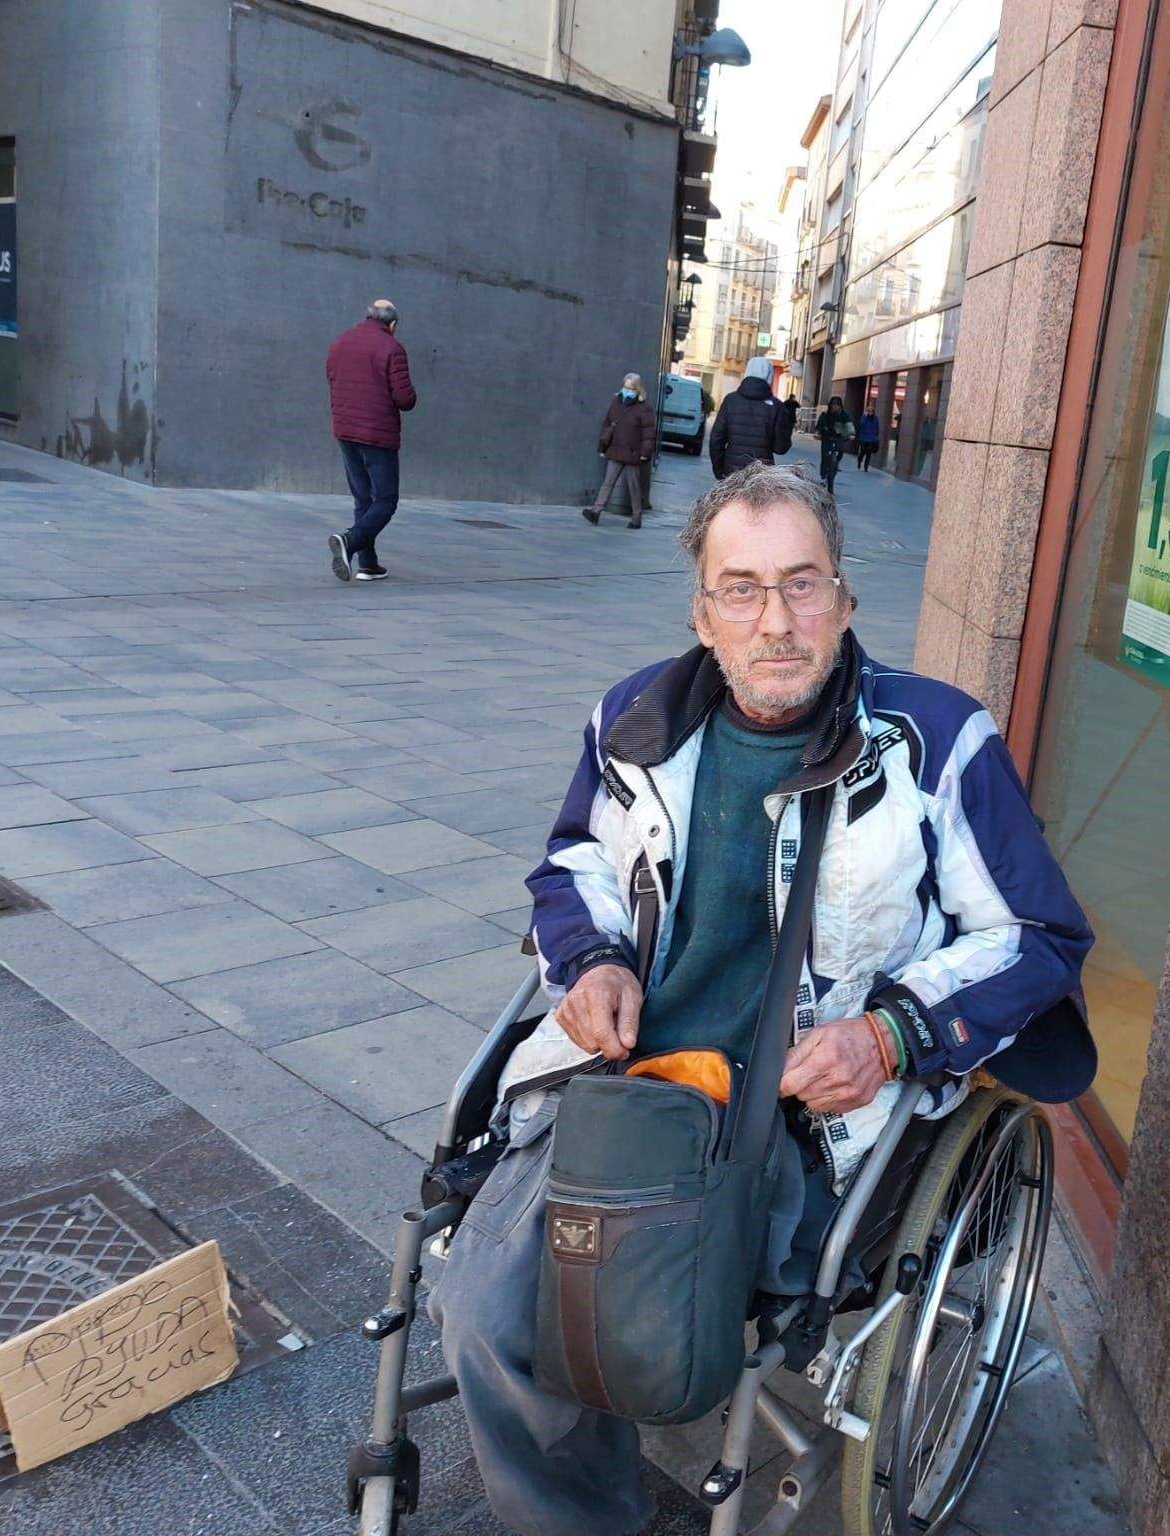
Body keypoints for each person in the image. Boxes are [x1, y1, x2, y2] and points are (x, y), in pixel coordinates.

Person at [430, 462, 1095, 1536]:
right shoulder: (635, 719)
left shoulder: (935, 741)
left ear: (843, 601)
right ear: (702, 611)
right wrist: (594, 961)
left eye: (800, 584)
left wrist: (891, 1034)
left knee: (639, 1316)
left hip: (801, 1124)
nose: (773, 620)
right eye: (739, 588)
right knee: (485, 1313)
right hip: (632, 1084)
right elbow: (571, 866)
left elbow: (1035, 938)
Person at [325, 298, 417, 582]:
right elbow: (405, 399)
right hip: (378, 434)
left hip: (345, 430)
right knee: (385, 500)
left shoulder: (340, 342)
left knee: (363, 497)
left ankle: (367, 563)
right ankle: (350, 541)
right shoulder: (392, 348)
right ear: (393, 324)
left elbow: (332, 379)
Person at [582, 372, 657, 530]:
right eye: (625, 386)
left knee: (634, 487)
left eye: (630, 388)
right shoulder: (616, 402)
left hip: (633, 453)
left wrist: (645, 453)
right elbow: (607, 424)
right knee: (607, 483)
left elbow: (649, 433)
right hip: (616, 450)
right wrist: (602, 447)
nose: (627, 390)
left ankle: (636, 518)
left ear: (637, 389)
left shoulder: (644, 408)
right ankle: (596, 511)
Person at [708, 356, 795, 480]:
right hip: (761, 477)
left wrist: (719, 470)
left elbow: (716, 440)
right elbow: (781, 448)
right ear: (769, 376)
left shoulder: (730, 400)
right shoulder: (777, 407)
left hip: (731, 474)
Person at [816, 395, 853, 494]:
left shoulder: (844, 415)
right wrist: (820, 432)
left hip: (838, 439)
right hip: (827, 439)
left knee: (837, 459)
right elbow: (819, 426)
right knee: (825, 457)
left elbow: (850, 426)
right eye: (834, 405)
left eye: (837, 405)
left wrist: (850, 434)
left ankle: (833, 473)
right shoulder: (825, 414)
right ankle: (823, 477)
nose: (835, 407)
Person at [855, 405, 881, 471]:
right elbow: (861, 425)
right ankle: (859, 461)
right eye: (869, 411)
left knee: (868, 454)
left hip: (871, 439)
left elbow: (877, 428)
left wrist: (876, 436)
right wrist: (864, 416)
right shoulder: (864, 418)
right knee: (862, 452)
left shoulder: (875, 419)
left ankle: (866, 467)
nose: (870, 412)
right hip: (863, 438)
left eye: (871, 411)